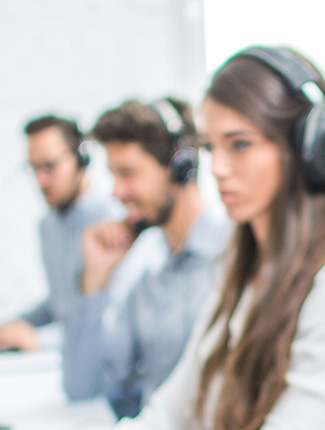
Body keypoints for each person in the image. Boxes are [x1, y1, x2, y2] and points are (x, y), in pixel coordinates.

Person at [114, 46, 325, 430]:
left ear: (309, 148)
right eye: (209, 147)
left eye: (240, 144)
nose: (218, 168)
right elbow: (170, 414)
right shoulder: (242, 277)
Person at [71, 97, 230, 418]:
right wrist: (95, 282)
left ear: (179, 168)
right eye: (114, 175)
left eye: (128, 173)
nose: (117, 192)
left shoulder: (235, 260)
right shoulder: (145, 279)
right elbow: (84, 389)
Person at [0, 115, 122, 353]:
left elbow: (110, 323)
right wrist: (4, 330)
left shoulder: (113, 224)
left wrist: (38, 340)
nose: (40, 180)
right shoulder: (48, 226)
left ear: (82, 159)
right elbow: (59, 307)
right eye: (33, 168)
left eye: (49, 167)